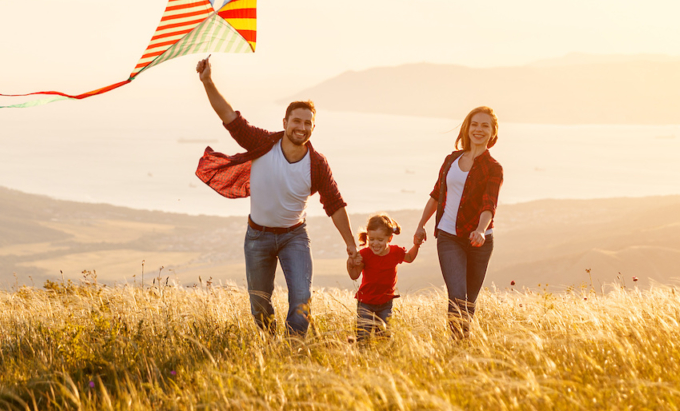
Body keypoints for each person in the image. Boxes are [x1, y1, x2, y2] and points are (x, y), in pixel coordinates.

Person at [194, 57, 358, 336]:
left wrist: (352, 247)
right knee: (259, 301)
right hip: (257, 236)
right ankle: (269, 343)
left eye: (308, 123)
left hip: (294, 236)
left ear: (313, 128)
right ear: (285, 122)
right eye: (296, 121)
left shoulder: (317, 163)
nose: (302, 127)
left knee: (301, 297)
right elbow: (229, 117)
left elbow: (335, 204)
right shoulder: (262, 143)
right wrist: (208, 81)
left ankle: (295, 345)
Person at [413, 107, 503, 339]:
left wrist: (481, 230)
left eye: (485, 125)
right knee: (457, 296)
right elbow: (436, 195)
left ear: (493, 132)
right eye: (474, 124)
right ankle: (459, 347)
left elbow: (489, 203)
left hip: (479, 242)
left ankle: (460, 348)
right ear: (467, 127)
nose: (478, 129)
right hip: (448, 237)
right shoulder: (451, 160)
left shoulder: (494, 168)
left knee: (469, 303)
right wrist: (421, 224)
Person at [346, 213, 420, 341]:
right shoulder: (364, 254)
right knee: (363, 336)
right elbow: (354, 275)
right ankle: (361, 357)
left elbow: (409, 258)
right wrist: (350, 263)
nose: (375, 244)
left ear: (389, 239)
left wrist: (416, 245)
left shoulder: (395, 252)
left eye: (380, 240)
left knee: (384, 337)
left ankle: (381, 358)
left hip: (385, 303)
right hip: (365, 302)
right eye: (372, 239)